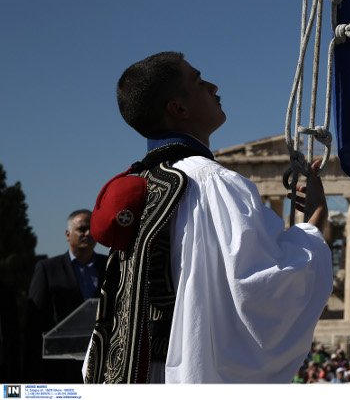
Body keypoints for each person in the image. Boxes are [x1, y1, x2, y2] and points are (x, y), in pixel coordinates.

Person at [83, 51, 332, 384]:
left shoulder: (141, 182)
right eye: (199, 82)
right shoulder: (213, 183)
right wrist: (316, 217)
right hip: (185, 374)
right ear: (179, 108)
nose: (214, 87)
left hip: (132, 371)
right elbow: (262, 291)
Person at [24, 210, 108, 383]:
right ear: (68, 234)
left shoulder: (109, 266)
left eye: (92, 229)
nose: (88, 233)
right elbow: (34, 320)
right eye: (82, 229)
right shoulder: (48, 269)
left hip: (100, 362)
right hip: (60, 366)